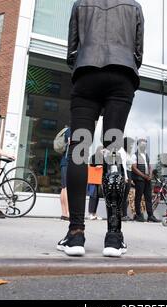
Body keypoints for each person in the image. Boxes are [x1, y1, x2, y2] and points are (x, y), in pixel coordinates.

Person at [57, 0, 144, 257]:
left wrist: (83, 66)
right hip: (121, 75)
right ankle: (114, 238)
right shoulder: (135, 6)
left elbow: (72, 49)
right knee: (113, 151)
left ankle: (75, 235)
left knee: (78, 151)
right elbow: (138, 52)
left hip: (87, 75)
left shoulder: (80, 3)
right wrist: (124, 69)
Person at [131, 138, 160, 223]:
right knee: (138, 197)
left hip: (147, 179)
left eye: (145, 144)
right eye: (142, 144)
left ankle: (150, 215)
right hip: (139, 179)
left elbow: (149, 166)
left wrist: (150, 175)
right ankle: (138, 215)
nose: (144, 146)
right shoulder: (135, 155)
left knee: (148, 197)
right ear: (138, 145)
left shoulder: (146, 155)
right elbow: (134, 167)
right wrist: (144, 176)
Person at [87, 146, 103, 221]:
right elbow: (91, 165)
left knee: (97, 197)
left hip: (98, 180)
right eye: (102, 151)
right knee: (93, 196)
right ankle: (90, 213)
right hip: (93, 179)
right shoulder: (93, 156)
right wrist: (97, 166)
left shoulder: (103, 158)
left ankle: (94, 213)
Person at [120, 137, 135, 221]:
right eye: (131, 144)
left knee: (125, 196)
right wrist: (125, 177)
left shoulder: (128, 153)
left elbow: (130, 167)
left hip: (129, 174)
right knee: (123, 196)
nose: (132, 146)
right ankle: (123, 214)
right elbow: (123, 165)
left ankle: (124, 214)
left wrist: (130, 178)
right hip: (124, 174)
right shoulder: (122, 151)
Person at [60, 127, 71, 221]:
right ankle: (68, 213)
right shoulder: (71, 130)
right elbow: (71, 143)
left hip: (64, 162)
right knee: (67, 188)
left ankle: (64, 213)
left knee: (64, 188)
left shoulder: (67, 130)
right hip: (68, 162)